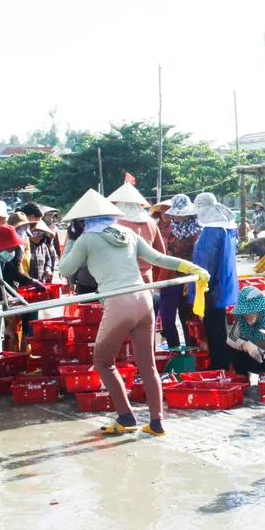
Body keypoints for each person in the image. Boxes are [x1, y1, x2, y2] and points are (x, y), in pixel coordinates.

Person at [59, 189, 208, 436]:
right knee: (147, 365)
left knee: (103, 361)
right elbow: (159, 258)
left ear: (82, 220)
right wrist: (190, 267)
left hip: (119, 303)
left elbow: (66, 269)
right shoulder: (127, 233)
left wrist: (72, 240)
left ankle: (126, 416)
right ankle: (157, 422)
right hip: (144, 300)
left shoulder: (86, 239)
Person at [191, 192, 240, 372]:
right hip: (218, 284)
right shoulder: (223, 228)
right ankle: (220, 362)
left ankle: (219, 364)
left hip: (211, 286)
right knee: (217, 324)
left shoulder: (212, 231)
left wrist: (202, 288)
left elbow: (207, 261)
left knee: (215, 327)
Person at [156, 194, 200, 348]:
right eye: (176, 213)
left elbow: (198, 257)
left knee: (187, 319)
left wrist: (191, 277)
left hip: (189, 278)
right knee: (167, 319)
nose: (179, 217)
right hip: (169, 276)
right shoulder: (167, 229)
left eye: (182, 214)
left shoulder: (197, 230)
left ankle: (192, 352)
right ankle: (173, 350)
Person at [109, 182, 166, 283]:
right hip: (147, 277)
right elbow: (161, 253)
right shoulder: (151, 223)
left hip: (122, 279)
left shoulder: (116, 224)